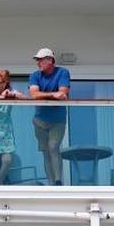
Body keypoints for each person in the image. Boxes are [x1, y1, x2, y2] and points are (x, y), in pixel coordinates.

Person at [28, 48, 70, 185]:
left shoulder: (63, 72)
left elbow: (63, 94)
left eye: (41, 60)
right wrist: (53, 95)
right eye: (37, 60)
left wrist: (46, 95)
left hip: (58, 120)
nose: (38, 63)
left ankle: (58, 181)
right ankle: (51, 183)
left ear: (50, 60)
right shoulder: (35, 75)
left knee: (53, 147)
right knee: (46, 151)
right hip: (39, 120)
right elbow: (34, 95)